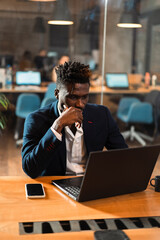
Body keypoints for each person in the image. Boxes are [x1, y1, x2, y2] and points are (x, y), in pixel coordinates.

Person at [22, 61, 128, 178]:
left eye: (85, 97)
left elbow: (123, 156)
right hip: (56, 186)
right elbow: (30, 168)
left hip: (89, 184)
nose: (80, 104)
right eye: (73, 97)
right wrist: (58, 125)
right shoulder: (36, 119)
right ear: (57, 94)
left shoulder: (102, 115)